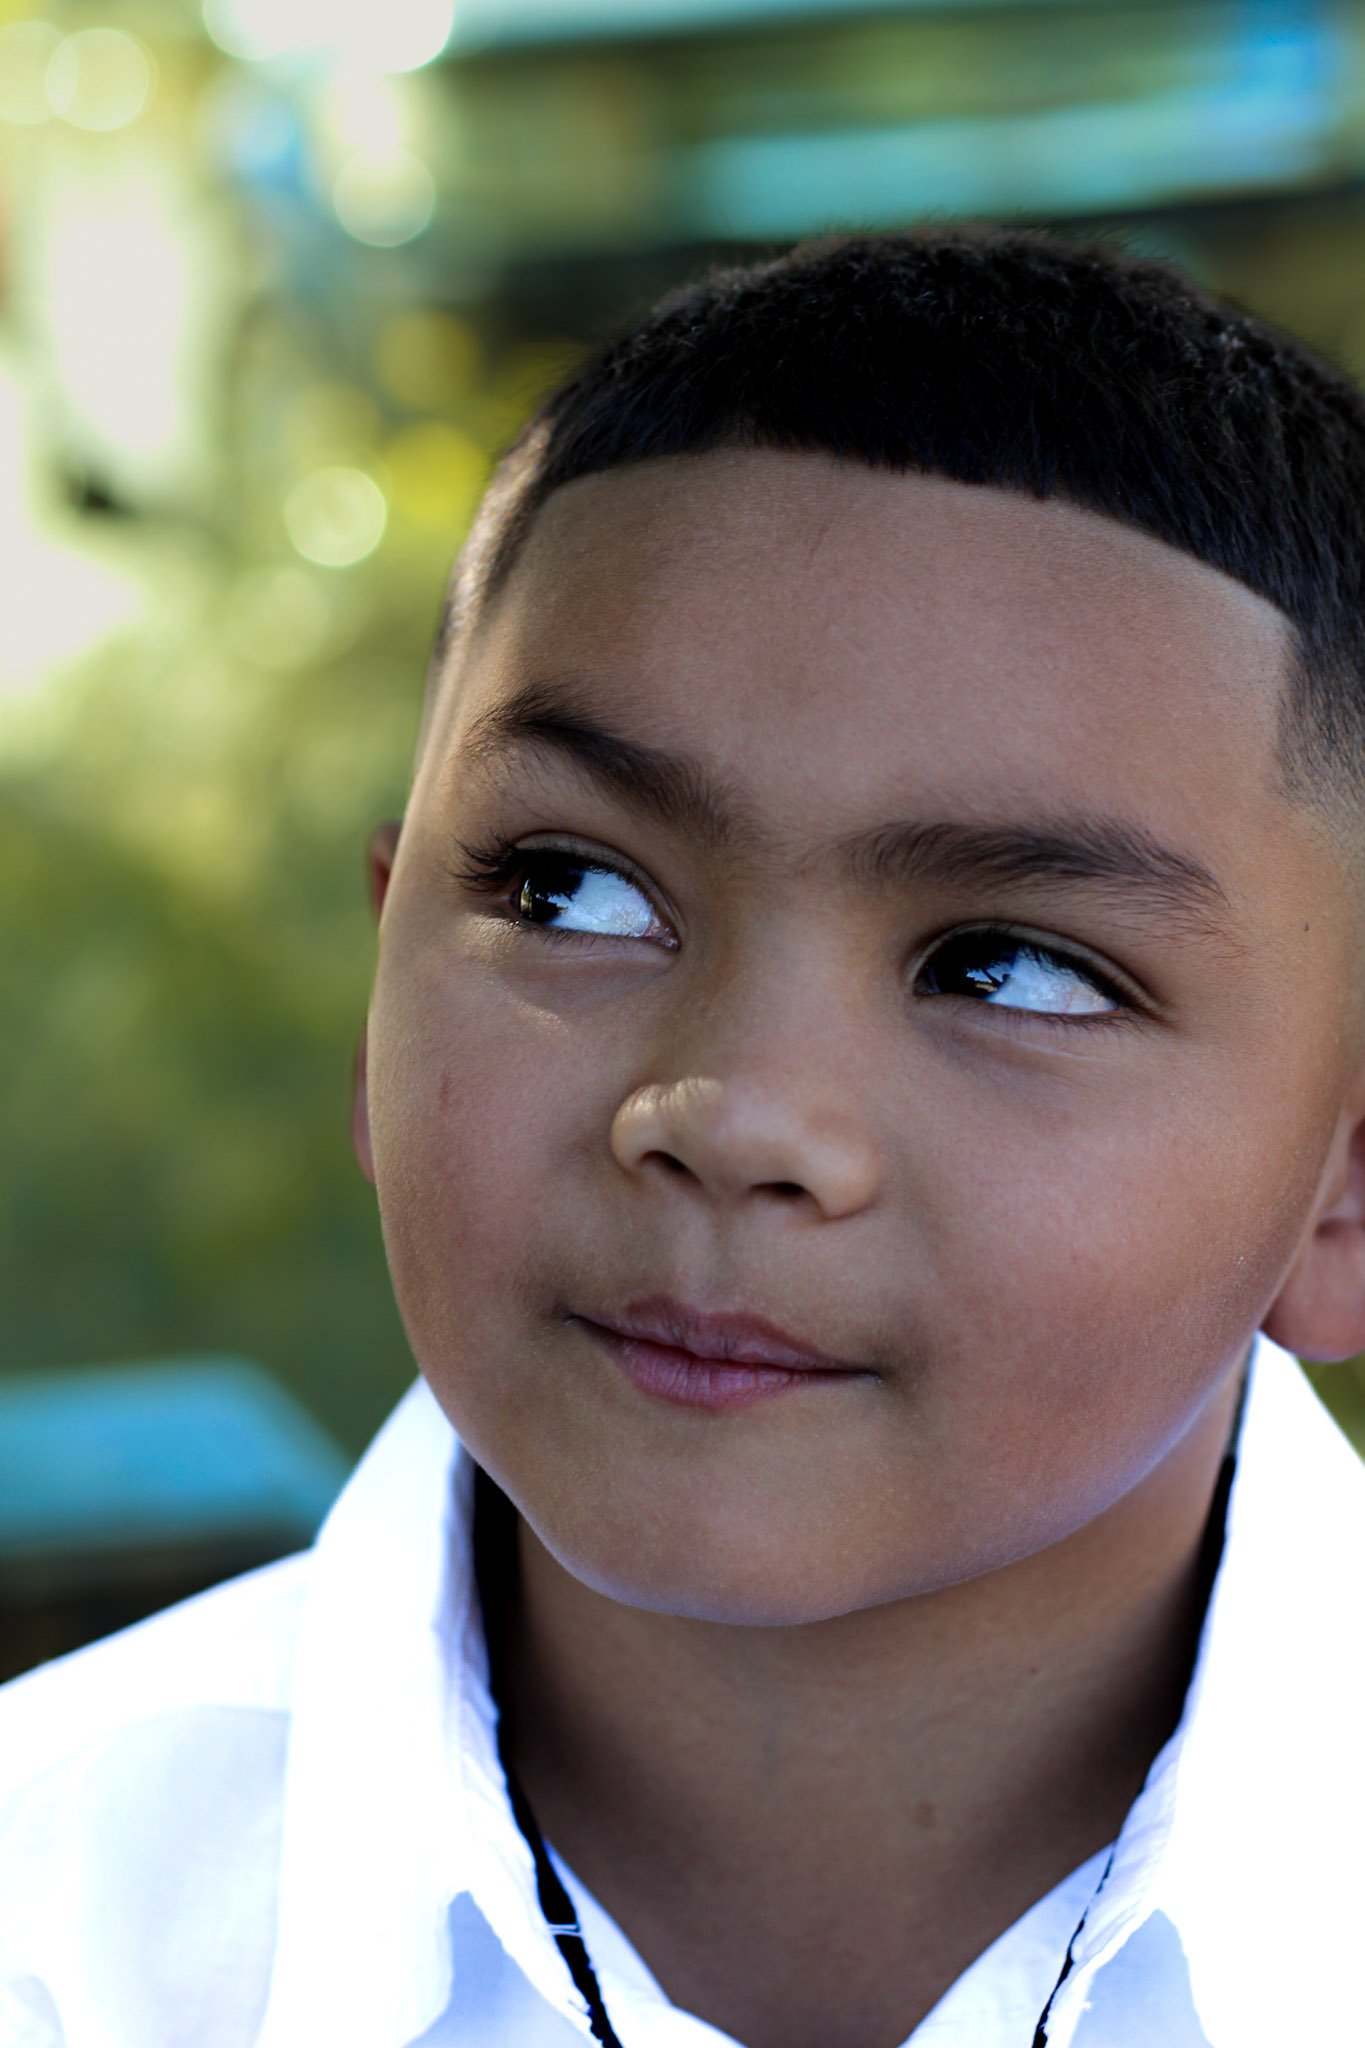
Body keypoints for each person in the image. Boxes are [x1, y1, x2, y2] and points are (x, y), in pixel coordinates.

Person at [2, 226, 1364, 2048]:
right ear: (382, 984)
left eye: (1016, 970)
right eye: (568, 891)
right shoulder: (61, 1935)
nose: (728, 1114)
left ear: (1344, 1184)